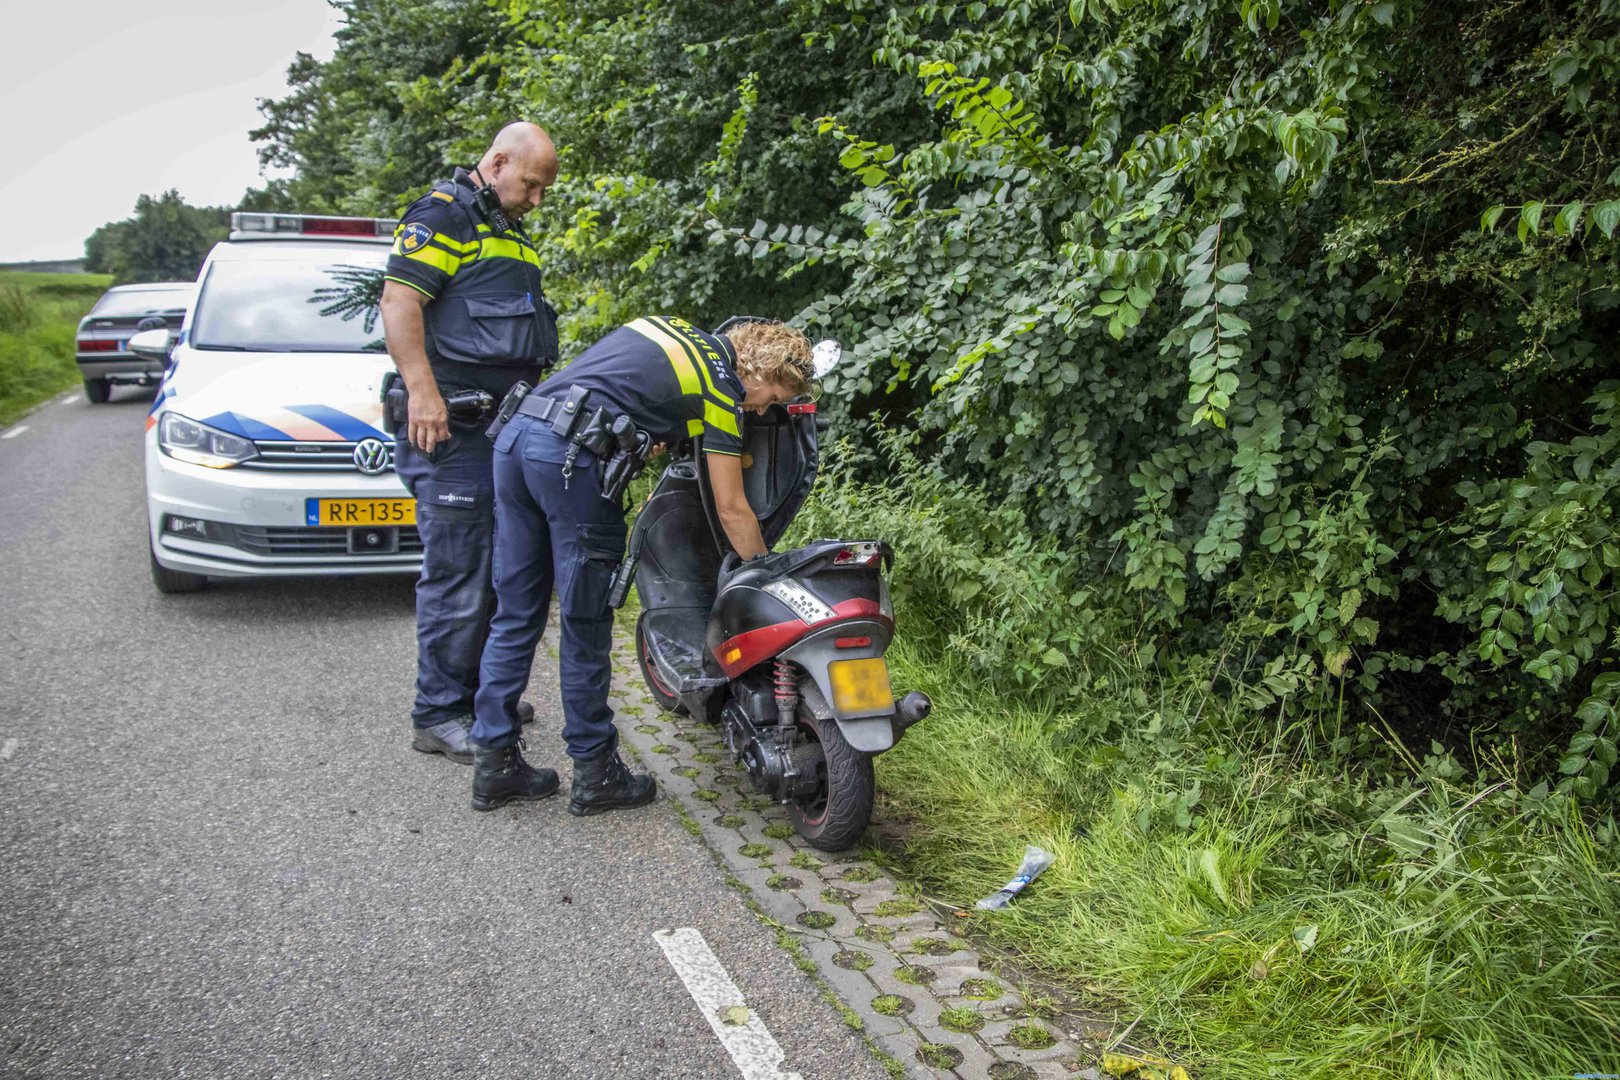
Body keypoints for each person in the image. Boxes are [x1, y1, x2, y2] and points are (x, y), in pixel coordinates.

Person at [466, 316, 815, 814]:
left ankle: (494, 764)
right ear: (762, 369)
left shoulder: (668, 328)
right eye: (772, 397)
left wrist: (645, 432)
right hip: (567, 460)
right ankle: (595, 771)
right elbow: (732, 509)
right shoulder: (722, 387)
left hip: (518, 436)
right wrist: (764, 572)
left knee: (516, 613)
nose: (761, 408)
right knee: (585, 622)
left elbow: (619, 388)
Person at [379, 122, 560, 765]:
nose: (536, 199)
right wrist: (422, 392)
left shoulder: (502, 226)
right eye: (531, 184)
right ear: (499, 161)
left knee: (495, 568)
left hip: (498, 428)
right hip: (453, 426)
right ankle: (438, 713)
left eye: (543, 190)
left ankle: (483, 697)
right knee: (459, 572)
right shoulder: (444, 216)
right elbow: (399, 301)